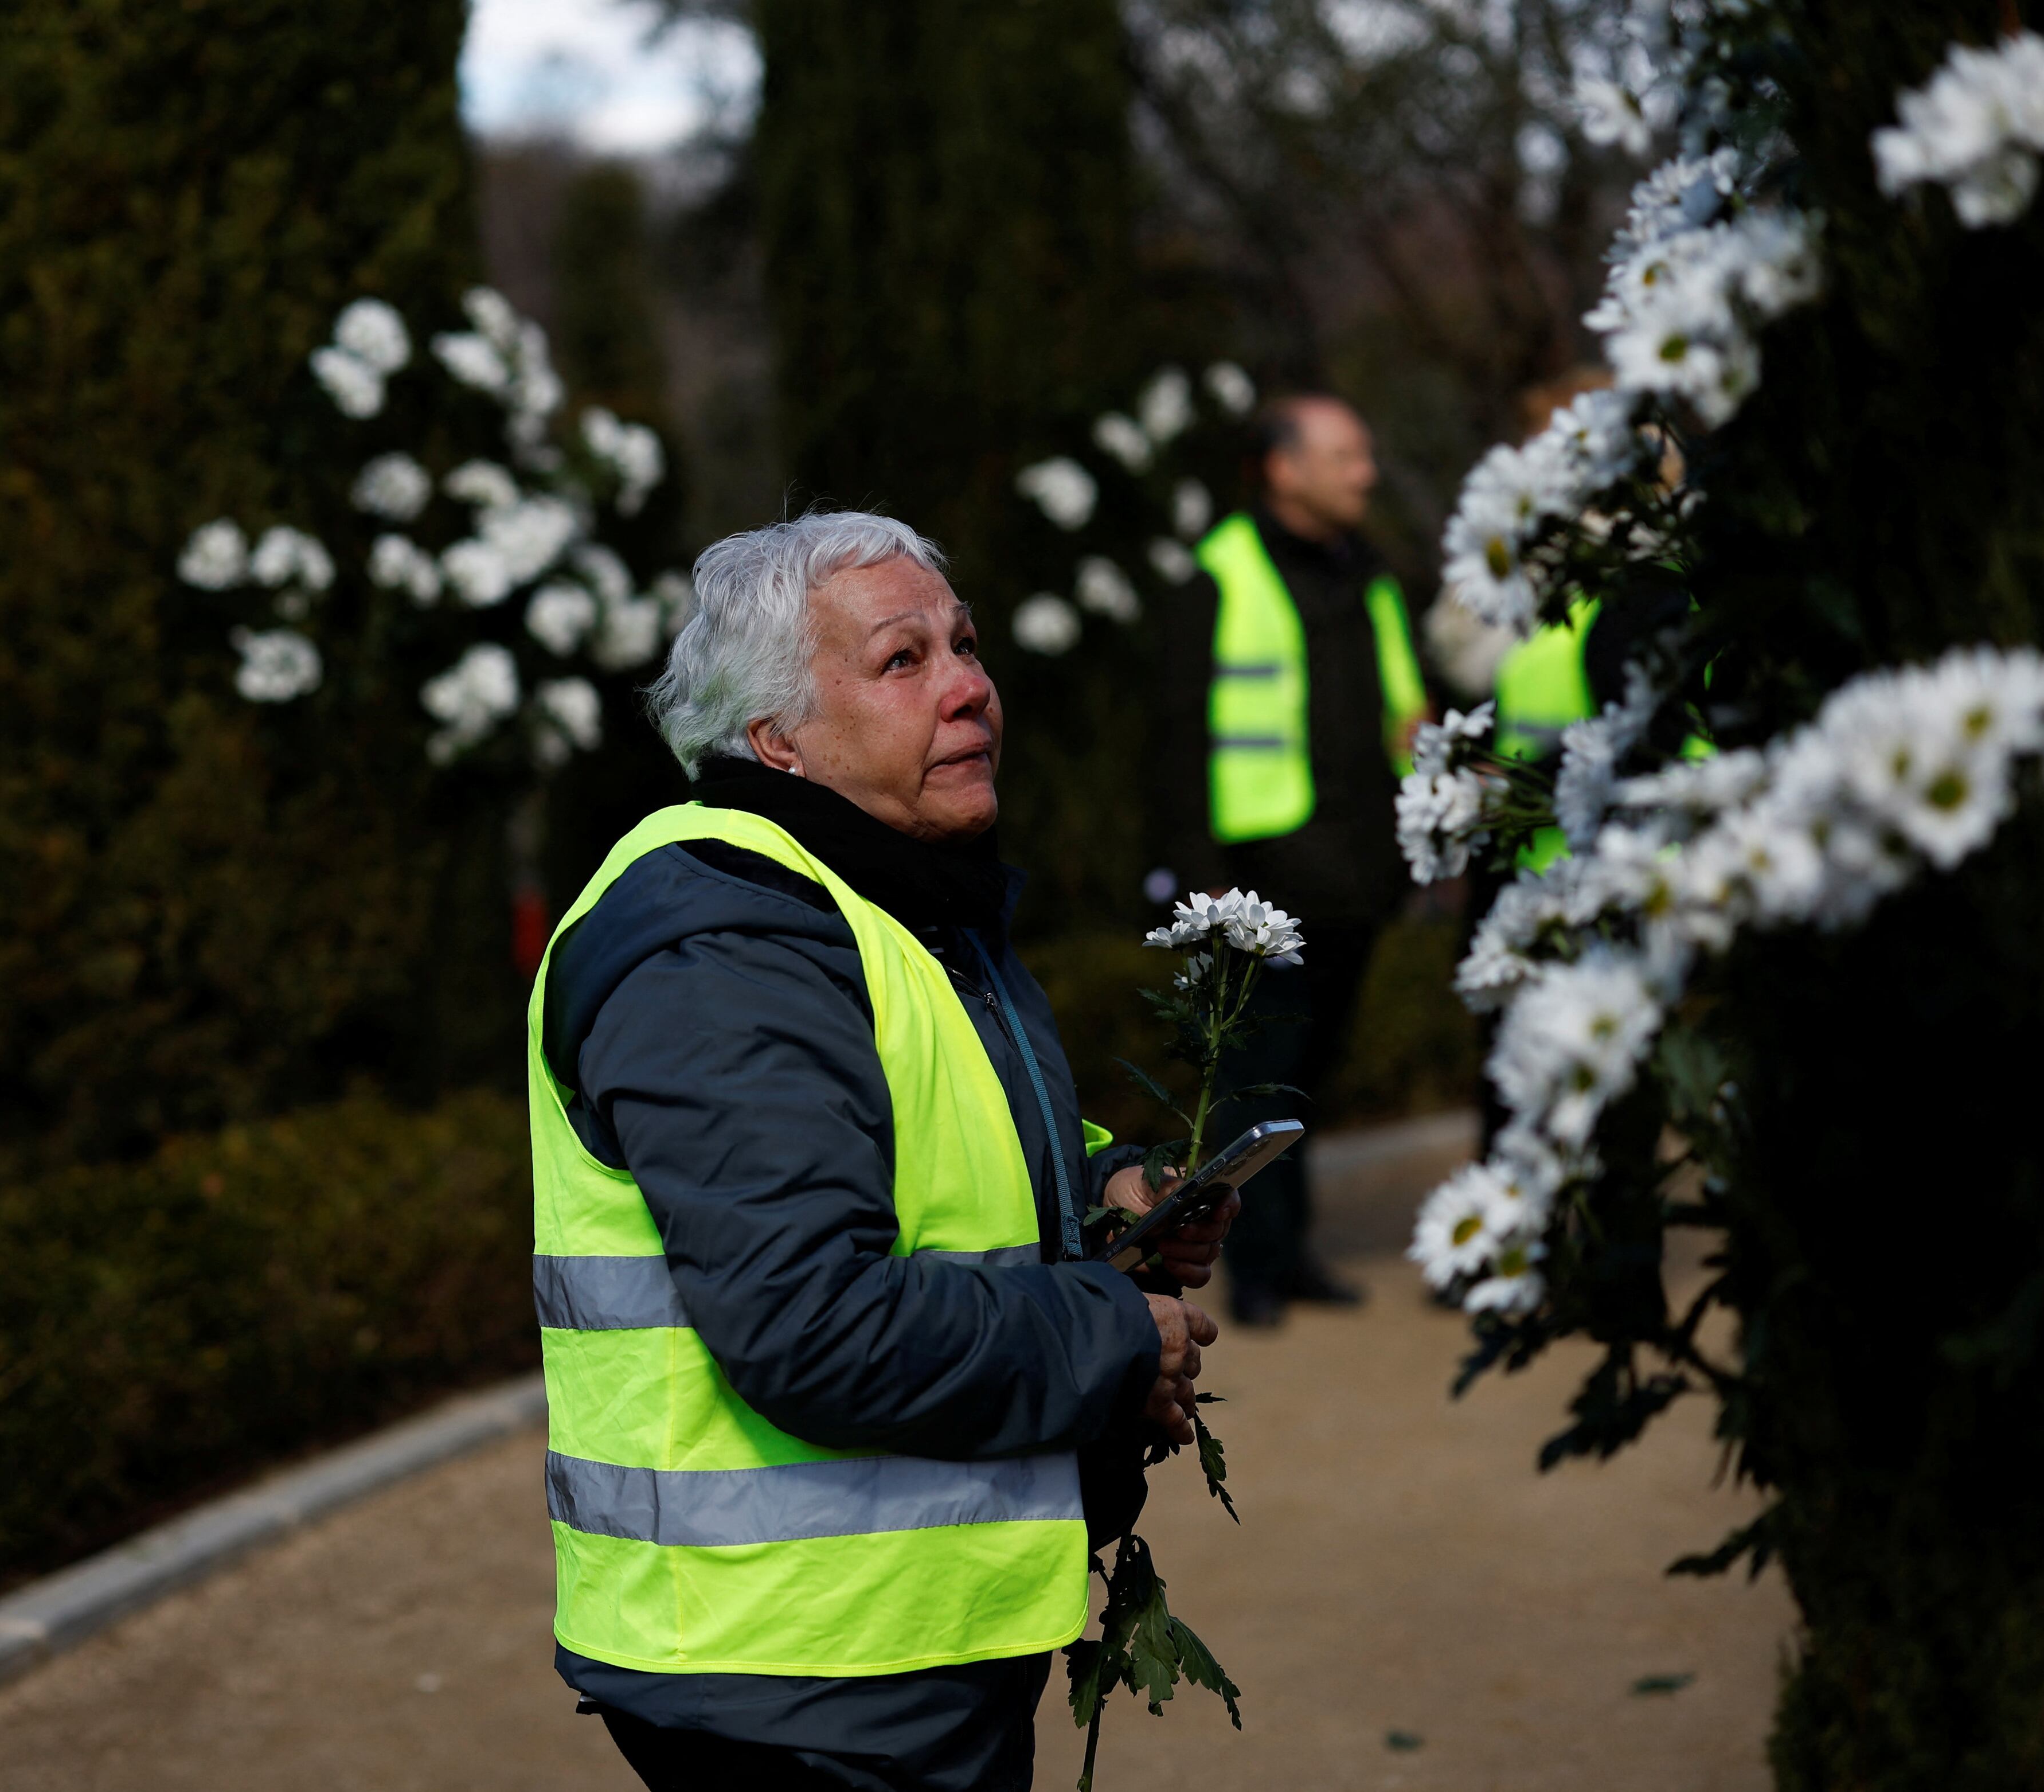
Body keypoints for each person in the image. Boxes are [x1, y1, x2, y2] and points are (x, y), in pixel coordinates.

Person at [534, 512, 1240, 1792]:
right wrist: (1113, 1332)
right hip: (798, 1672)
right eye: (901, 660)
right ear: (775, 738)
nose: (970, 683)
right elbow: (812, 1323)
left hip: (885, 1642)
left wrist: (1104, 1191)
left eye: (963, 643)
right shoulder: (727, 945)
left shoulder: (888, 896)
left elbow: (929, 1143)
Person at [1167, 395, 1428, 1328]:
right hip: (1260, 867)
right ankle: (1255, 1264)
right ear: (1284, 468)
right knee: (1257, 1074)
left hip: (1360, 865)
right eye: (1345, 453)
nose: (1365, 471)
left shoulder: (1371, 573)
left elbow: (1407, 709)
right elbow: (1178, 733)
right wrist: (1202, 878)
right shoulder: (1221, 574)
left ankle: (1293, 1246)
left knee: (1311, 1070)